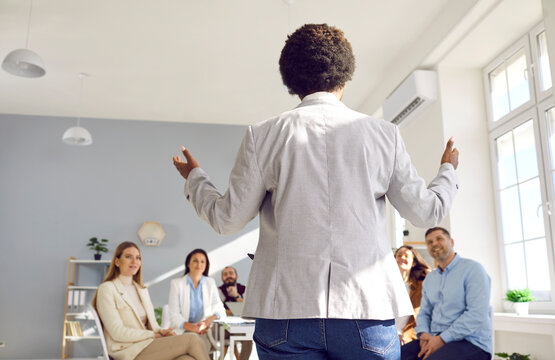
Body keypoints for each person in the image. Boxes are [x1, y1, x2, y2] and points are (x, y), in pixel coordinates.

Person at [173, 23, 459, 360]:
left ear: (291, 81)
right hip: (365, 309)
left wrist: (195, 179)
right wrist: (448, 171)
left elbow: (227, 219)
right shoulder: (384, 135)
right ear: (346, 75)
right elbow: (427, 212)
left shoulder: (263, 135)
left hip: (285, 313)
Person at [92, 241, 209, 360]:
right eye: (128, 257)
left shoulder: (141, 290)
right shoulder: (107, 289)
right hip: (128, 351)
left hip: (147, 345)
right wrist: (153, 335)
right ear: (117, 261)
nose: (134, 262)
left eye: (138, 258)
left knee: (186, 359)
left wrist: (163, 332)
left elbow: (153, 326)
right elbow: (117, 332)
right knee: (192, 339)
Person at [401, 227, 492, 360]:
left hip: (471, 343)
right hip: (433, 338)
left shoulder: (473, 269)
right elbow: (424, 312)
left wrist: (443, 339)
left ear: (452, 242)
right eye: (429, 242)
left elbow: (476, 314)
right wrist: (423, 334)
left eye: (439, 239)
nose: (434, 244)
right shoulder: (430, 279)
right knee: (394, 356)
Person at [168, 248, 226, 354]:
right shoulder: (176, 284)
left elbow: (220, 309)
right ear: (188, 264)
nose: (199, 264)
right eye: (195, 260)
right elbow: (174, 315)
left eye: (202, 261)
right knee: (196, 347)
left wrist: (209, 320)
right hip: (184, 329)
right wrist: (193, 328)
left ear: (206, 265)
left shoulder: (210, 283)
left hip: (205, 330)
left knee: (200, 346)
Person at [394, 245, 431, 345]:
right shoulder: (386, 285)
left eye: (406, 256)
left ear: (414, 263)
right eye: (399, 255)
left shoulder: (420, 286)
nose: (402, 258)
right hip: (388, 335)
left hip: (408, 338)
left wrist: (428, 272)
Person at [219, 266, 253, 360]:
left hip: (241, 327)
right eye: (225, 274)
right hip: (223, 327)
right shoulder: (218, 291)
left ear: (237, 276)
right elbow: (217, 310)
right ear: (222, 278)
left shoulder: (244, 289)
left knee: (248, 338)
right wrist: (235, 311)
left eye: (231, 273)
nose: (228, 276)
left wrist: (236, 295)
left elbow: (249, 308)